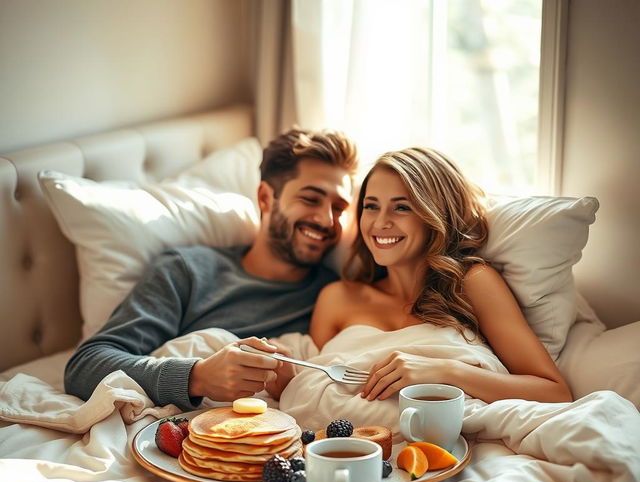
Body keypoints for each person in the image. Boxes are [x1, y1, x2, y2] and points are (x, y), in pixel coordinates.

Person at [64, 128, 359, 411]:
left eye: (339, 208)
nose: (326, 220)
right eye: (310, 199)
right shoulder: (188, 271)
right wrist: (198, 377)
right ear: (266, 198)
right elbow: (85, 366)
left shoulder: (336, 297)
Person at [307, 147, 572, 405]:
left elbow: (553, 392)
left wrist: (446, 372)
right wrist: (278, 374)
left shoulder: (472, 283)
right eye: (371, 206)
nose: (380, 222)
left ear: (434, 214)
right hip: (352, 443)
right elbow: (314, 388)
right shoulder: (336, 298)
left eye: (402, 208)